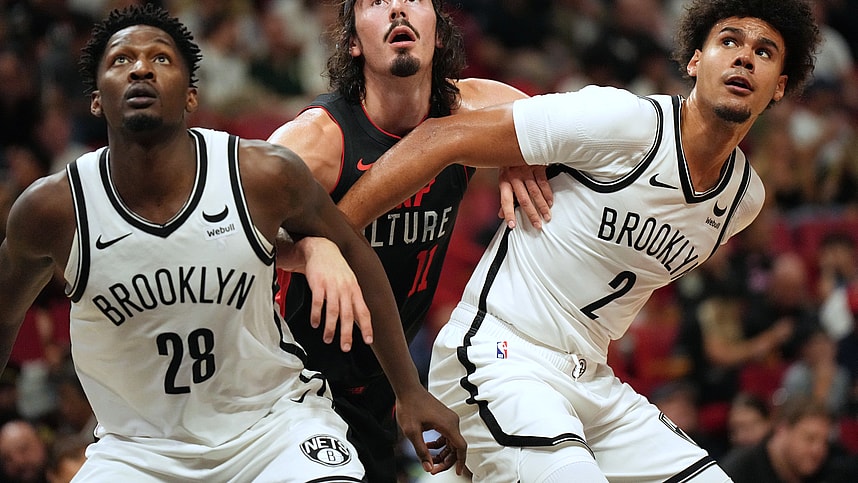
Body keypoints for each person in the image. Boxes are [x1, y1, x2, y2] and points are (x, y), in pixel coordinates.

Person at [335, 0, 821, 480]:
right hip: (499, 354)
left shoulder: (743, 200)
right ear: (695, 60)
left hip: (592, 381)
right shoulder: (622, 121)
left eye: (764, 51)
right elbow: (437, 138)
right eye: (729, 41)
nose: (742, 57)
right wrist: (330, 238)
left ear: (779, 86)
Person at [0, 4, 465, 481]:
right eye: (121, 60)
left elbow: (361, 257)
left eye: (161, 59)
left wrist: (409, 390)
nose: (140, 67)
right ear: (97, 99)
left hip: (273, 427)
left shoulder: (261, 173)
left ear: (190, 97)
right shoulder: (52, 210)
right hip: (138, 450)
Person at [266, 0, 550, 481]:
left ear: (438, 32)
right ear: (353, 43)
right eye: (376, 2)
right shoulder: (316, 139)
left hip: (382, 379)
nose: (397, 8)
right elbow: (222, 230)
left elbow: (557, 121)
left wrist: (524, 152)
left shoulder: (470, 111)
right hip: (293, 378)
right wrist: (306, 249)